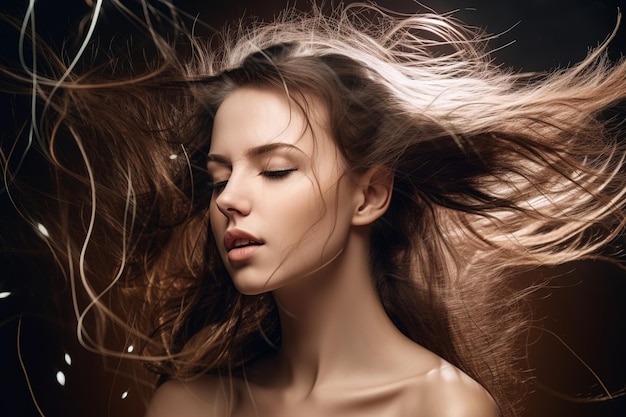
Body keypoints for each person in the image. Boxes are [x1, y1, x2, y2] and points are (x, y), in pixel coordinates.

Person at [3, 2, 626, 416]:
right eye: (218, 177)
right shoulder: (189, 406)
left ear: (369, 194)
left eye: (275, 170)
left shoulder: (444, 409)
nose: (229, 200)